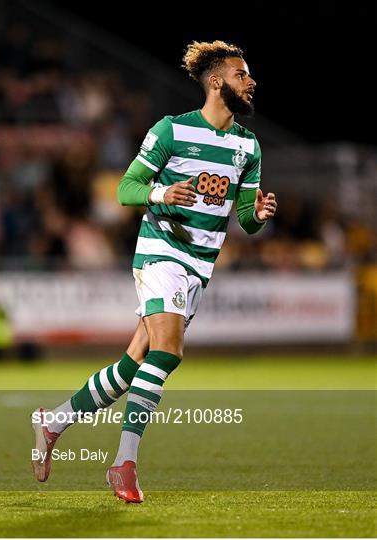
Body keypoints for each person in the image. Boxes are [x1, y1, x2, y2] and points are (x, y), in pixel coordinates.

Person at [31, 40, 278, 503]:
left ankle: (53, 421)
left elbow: (244, 217)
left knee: (132, 367)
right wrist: (163, 195)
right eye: (242, 74)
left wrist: (258, 216)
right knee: (168, 351)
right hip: (160, 253)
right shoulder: (172, 130)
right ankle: (124, 463)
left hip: (199, 267)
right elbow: (125, 189)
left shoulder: (249, 146)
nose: (251, 81)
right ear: (216, 81)